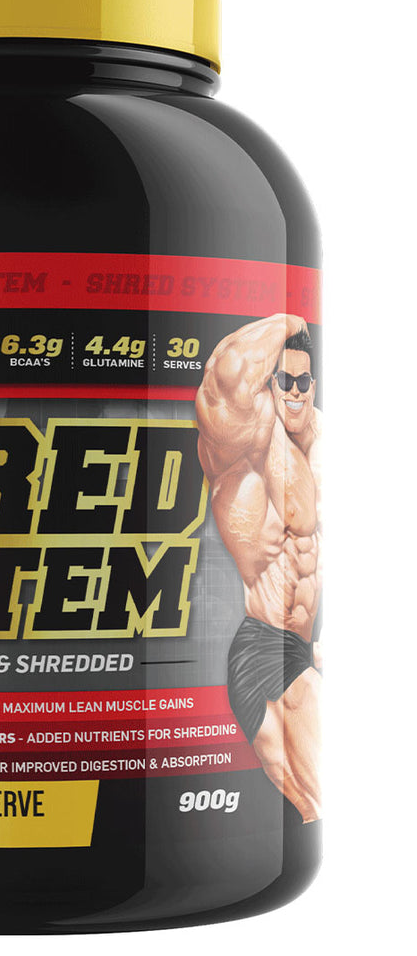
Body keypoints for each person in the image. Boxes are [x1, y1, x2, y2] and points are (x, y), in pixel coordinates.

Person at [195, 314, 322, 822]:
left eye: (303, 382)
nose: (294, 392)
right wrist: (290, 318)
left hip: (304, 647)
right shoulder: (245, 455)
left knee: (317, 808)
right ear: (269, 383)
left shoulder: (327, 442)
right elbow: (226, 375)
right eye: (284, 380)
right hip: (266, 652)